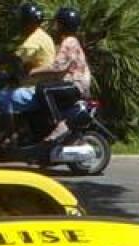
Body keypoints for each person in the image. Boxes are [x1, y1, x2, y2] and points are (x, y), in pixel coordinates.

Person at [0, 2, 55, 137]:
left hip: (37, 88)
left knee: (2, 98)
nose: (20, 24)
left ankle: (11, 134)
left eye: (23, 21)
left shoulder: (33, 40)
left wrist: (1, 64)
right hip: (39, 85)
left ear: (29, 22)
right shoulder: (42, 36)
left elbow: (18, 58)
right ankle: (22, 129)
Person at [32, 6, 90, 143]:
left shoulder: (68, 42)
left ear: (63, 25)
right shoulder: (72, 41)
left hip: (75, 85)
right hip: (75, 84)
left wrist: (33, 71)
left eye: (57, 23)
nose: (55, 27)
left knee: (43, 89)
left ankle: (59, 125)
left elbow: (58, 67)